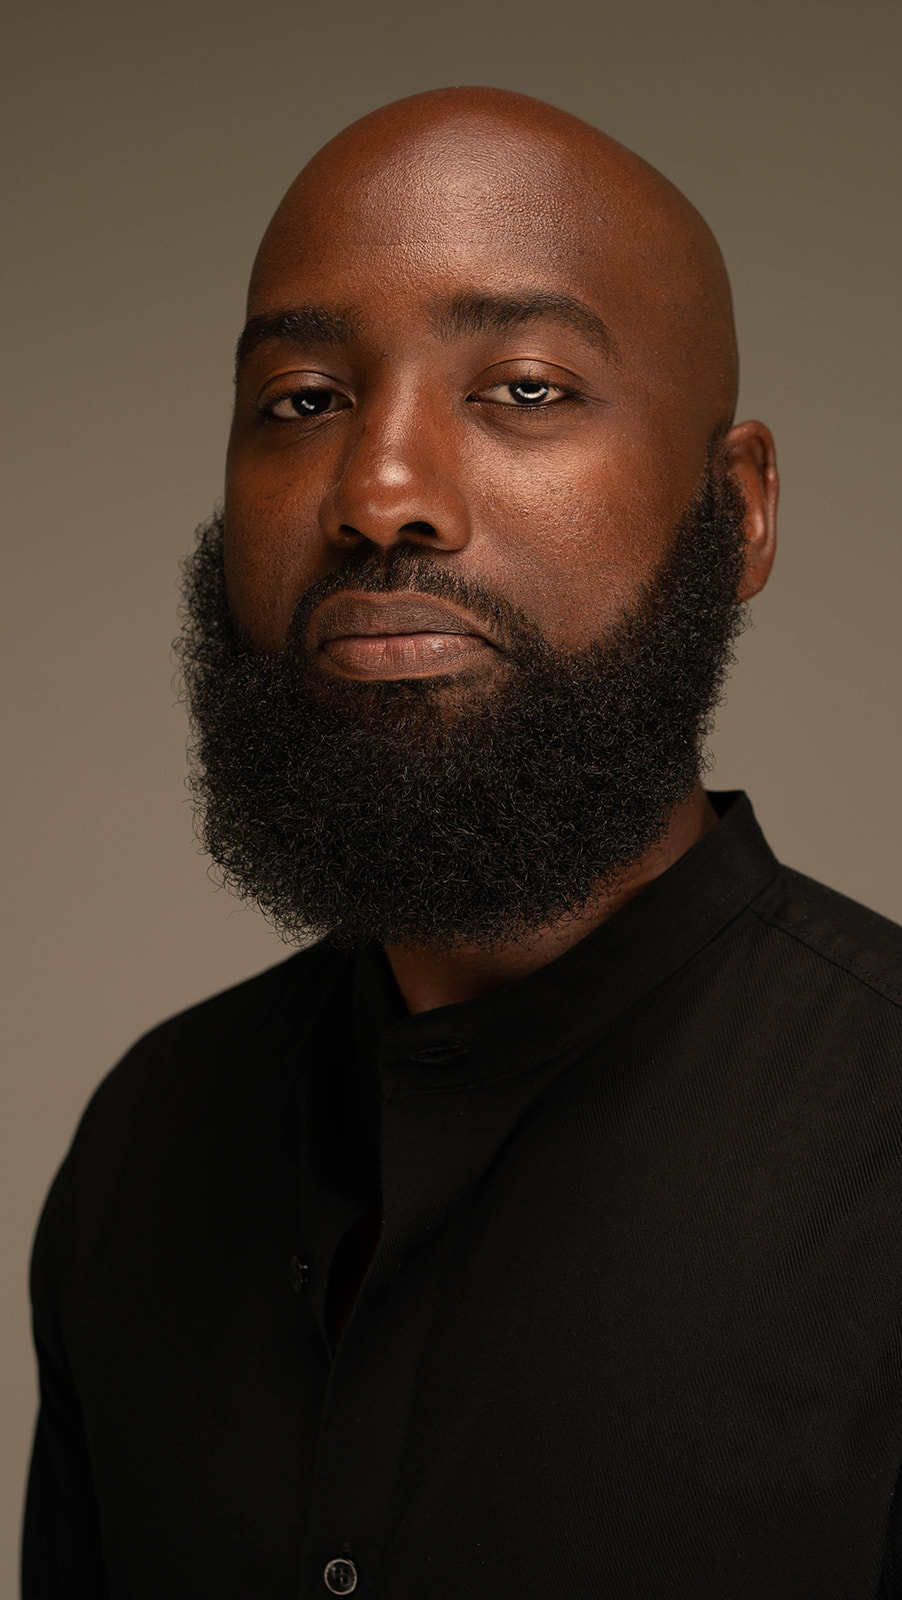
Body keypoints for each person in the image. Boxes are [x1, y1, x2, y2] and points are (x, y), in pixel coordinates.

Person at [22, 86, 902, 1600]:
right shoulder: (147, 1144)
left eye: (526, 388)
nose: (379, 494)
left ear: (739, 511)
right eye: (304, 401)